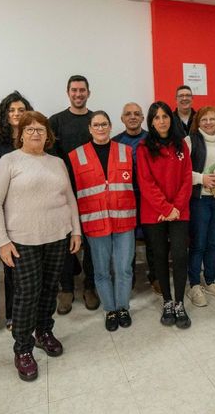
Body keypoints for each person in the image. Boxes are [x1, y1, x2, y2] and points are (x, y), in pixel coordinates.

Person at [0, 111, 81, 381]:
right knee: (28, 293)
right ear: (21, 134)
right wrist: (2, 242)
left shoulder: (57, 162)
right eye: (30, 130)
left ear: (48, 135)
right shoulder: (9, 161)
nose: (36, 133)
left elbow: (69, 198)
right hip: (22, 240)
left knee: (50, 289)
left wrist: (76, 230)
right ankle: (23, 349)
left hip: (57, 235)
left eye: (41, 129)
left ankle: (44, 331)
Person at [70, 111, 137, 332]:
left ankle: (123, 307)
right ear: (89, 128)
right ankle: (110, 309)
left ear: (110, 126)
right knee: (101, 271)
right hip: (95, 223)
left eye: (104, 124)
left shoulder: (126, 151)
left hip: (124, 221)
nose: (100, 128)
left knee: (124, 269)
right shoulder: (75, 156)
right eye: (96, 125)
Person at [137, 101, 193, 329]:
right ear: (151, 121)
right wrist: (165, 208)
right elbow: (145, 182)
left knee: (180, 256)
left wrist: (175, 208)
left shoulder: (181, 145)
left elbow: (187, 177)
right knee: (159, 256)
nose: (161, 120)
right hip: (155, 213)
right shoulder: (143, 148)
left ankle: (180, 301)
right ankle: (167, 301)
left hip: (180, 211)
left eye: (165, 116)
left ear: (171, 118)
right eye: (156, 117)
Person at [48, 74, 99, 313]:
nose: (78, 94)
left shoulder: (95, 120)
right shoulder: (56, 121)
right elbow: (49, 157)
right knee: (65, 242)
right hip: (63, 192)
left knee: (90, 241)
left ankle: (89, 286)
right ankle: (66, 289)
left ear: (89, 92)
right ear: (67, 92)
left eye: (82, 90)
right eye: (74, 90)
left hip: (91, 191)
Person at [0, 90, 34, 331]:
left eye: (21, 110)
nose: (16, 114)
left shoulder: (35, 136)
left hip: (34, 208)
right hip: (9, 209)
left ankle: (35, 309)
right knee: (11, 262)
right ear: (5, 115)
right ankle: (13, 314)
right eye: (12, 110)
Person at [184, 106, 215, 307]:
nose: (208, 122)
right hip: (199, 201)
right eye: (204, 119)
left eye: (212, 119)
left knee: (213, 243)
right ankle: (195, 285)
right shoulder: (190, 141)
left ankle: (211, 281)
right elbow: (182, 171)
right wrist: (202, 178)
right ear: (198, 121)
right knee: (198, 244)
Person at [112, 102, 158, 295]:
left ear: (142, 118)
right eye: (128, 114)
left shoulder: (152, 140)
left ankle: (155, 276)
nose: (132, 117)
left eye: (137, 114)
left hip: (149, 200)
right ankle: (127, 278)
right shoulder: (114, 143)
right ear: (122, 119)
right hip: (124, 200)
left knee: (153, 240)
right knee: (126, 241)